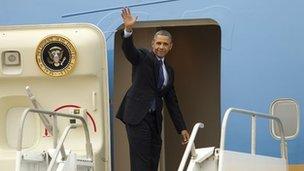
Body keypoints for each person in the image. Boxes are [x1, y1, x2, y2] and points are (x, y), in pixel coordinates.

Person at [116, 7, 190, 171]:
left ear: (170, 46)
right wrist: (128, 29)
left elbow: (172, 101)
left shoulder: (169, 71)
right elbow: (129, 52)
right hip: (137, 117)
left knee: (153, 160)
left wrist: (182, 128)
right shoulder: (143, 57)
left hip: (154, 120)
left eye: (165, 44)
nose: (161, 47)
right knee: (140, 162)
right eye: (158, 43)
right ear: (152, 44)